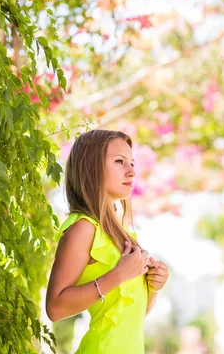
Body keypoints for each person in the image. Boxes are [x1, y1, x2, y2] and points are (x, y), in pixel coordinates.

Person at [46, 129, 170, 354]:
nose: (131, 171)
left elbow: (132, 315)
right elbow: (55, 308)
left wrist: (153, 287)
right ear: (91, 167)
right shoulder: (83, 228)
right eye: (120, 161)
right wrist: (119, 274)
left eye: (132, 163)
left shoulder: (122, 234)